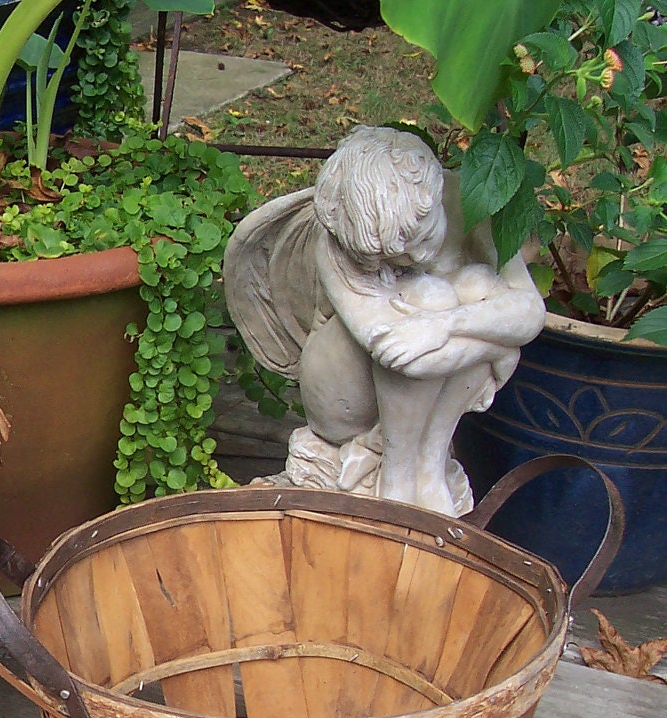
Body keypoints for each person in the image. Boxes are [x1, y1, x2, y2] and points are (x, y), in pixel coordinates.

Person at [225, 126, 546, 514]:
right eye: (383, 260)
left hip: (427, 382)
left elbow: (529, 312)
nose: (410, 261)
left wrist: (445, 325)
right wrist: (497, 344)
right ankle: (396, 476)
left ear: (433, 199)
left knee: (476, 284)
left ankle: (428, 463)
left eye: (420, 243)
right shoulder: (339, 237)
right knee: (435, 295)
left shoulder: (470, 203)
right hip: (345, 397)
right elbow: (401, 353)